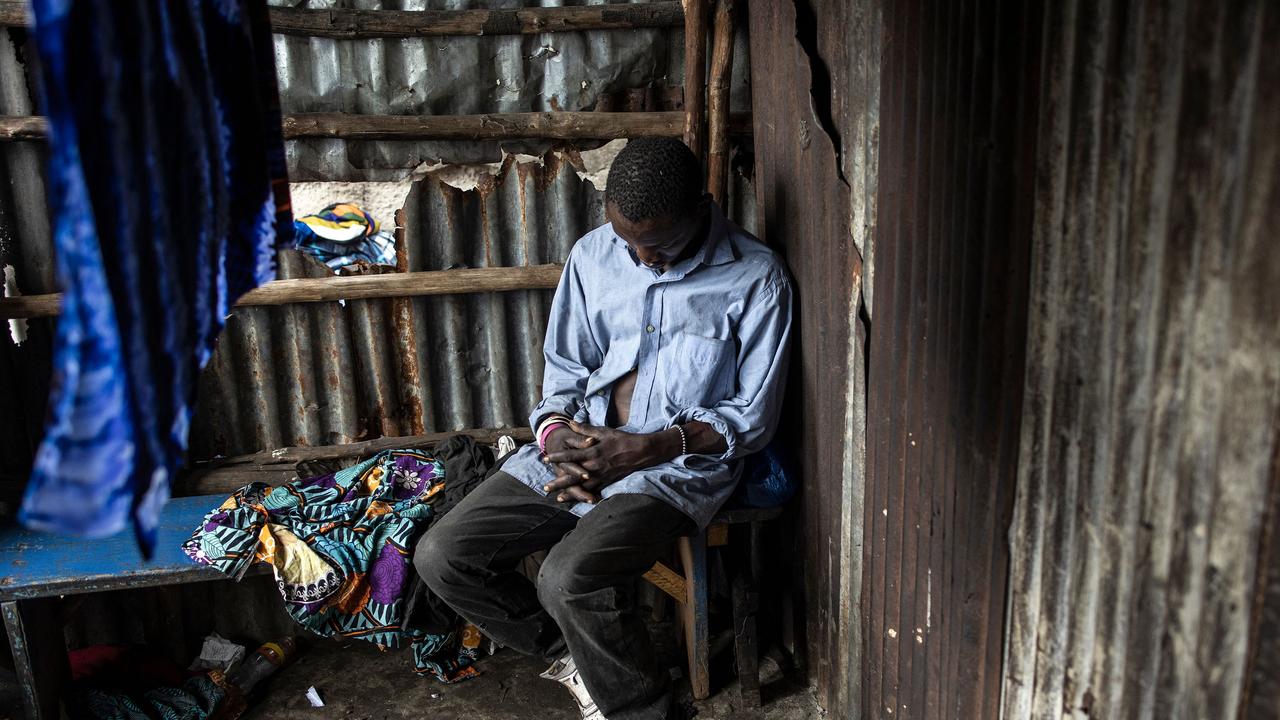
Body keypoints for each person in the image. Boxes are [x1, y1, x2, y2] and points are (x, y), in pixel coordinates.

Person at [414, 137, 793, 720]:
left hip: (674, 469)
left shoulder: (756, 278)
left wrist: (648, 448)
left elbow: (753, 417)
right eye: (627, 242)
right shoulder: (592, 256)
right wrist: (558, 436)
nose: (641, 259)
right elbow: (565, 371)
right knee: (443, 554)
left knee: (568, 578)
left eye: (659, 246)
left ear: (703, 207)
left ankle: (646, 710)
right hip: (582, 444)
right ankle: (583, 661)